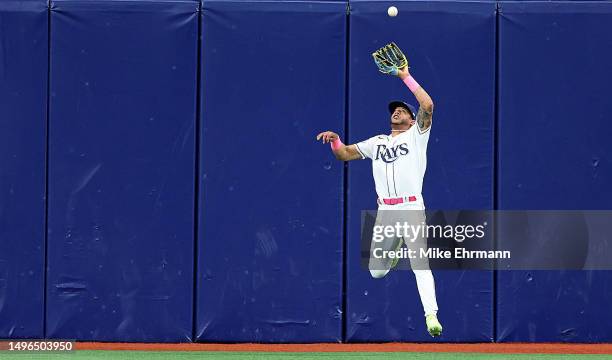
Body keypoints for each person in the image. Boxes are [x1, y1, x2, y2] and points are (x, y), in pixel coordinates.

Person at [316, 64, 442, 337]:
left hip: (411, 207)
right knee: (376, 272)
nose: (397, 111)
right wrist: (336, 142)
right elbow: (346, 154)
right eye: (395, 110)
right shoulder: (378, 142)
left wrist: (405, 76)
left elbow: (428, 104)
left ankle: (431, 314)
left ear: (411, 120)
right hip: (386, 210)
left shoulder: (417, 136)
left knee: (421, 263)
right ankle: (394, 250)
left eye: (404, 110)